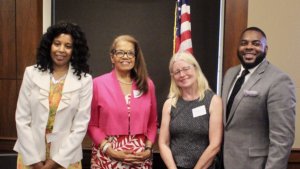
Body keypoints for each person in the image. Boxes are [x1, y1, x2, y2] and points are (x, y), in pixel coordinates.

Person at [13, 22, 93, 169]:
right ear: (49, 45)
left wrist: (54, 162)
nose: (61, 50)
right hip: (30, 155)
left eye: (68, 46)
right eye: (57, 44)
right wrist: (34, 161)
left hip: (65, 159)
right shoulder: (31, 73)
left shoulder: (85, 80)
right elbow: (22, 119)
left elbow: (80, 126)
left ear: (74, 50)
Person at [221, 27, 296, 169]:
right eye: (244, 43)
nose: (249, 47)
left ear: (266, 48)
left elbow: (283, 138)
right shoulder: (230, 74)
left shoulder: (279, 80)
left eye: (256, 43)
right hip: (224, 162)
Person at [88, 35, 158, 169]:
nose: (125, 56)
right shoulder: (97, 84)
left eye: (130, 53)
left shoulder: (147, 85)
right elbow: (91, 124)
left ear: (135, 57)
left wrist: (148, 149)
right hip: (107, 157)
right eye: (120, 52)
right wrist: (109, 150)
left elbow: (152, 123)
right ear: (112, 57)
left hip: (140, 160)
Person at [159, 52, 223, 169]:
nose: (182, 74)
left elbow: (215, 145)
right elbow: (163, 143)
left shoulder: (213, 101)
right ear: (173, 76)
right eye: (177, 72)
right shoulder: (169, 104)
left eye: (185, 69)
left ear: (195, 68)